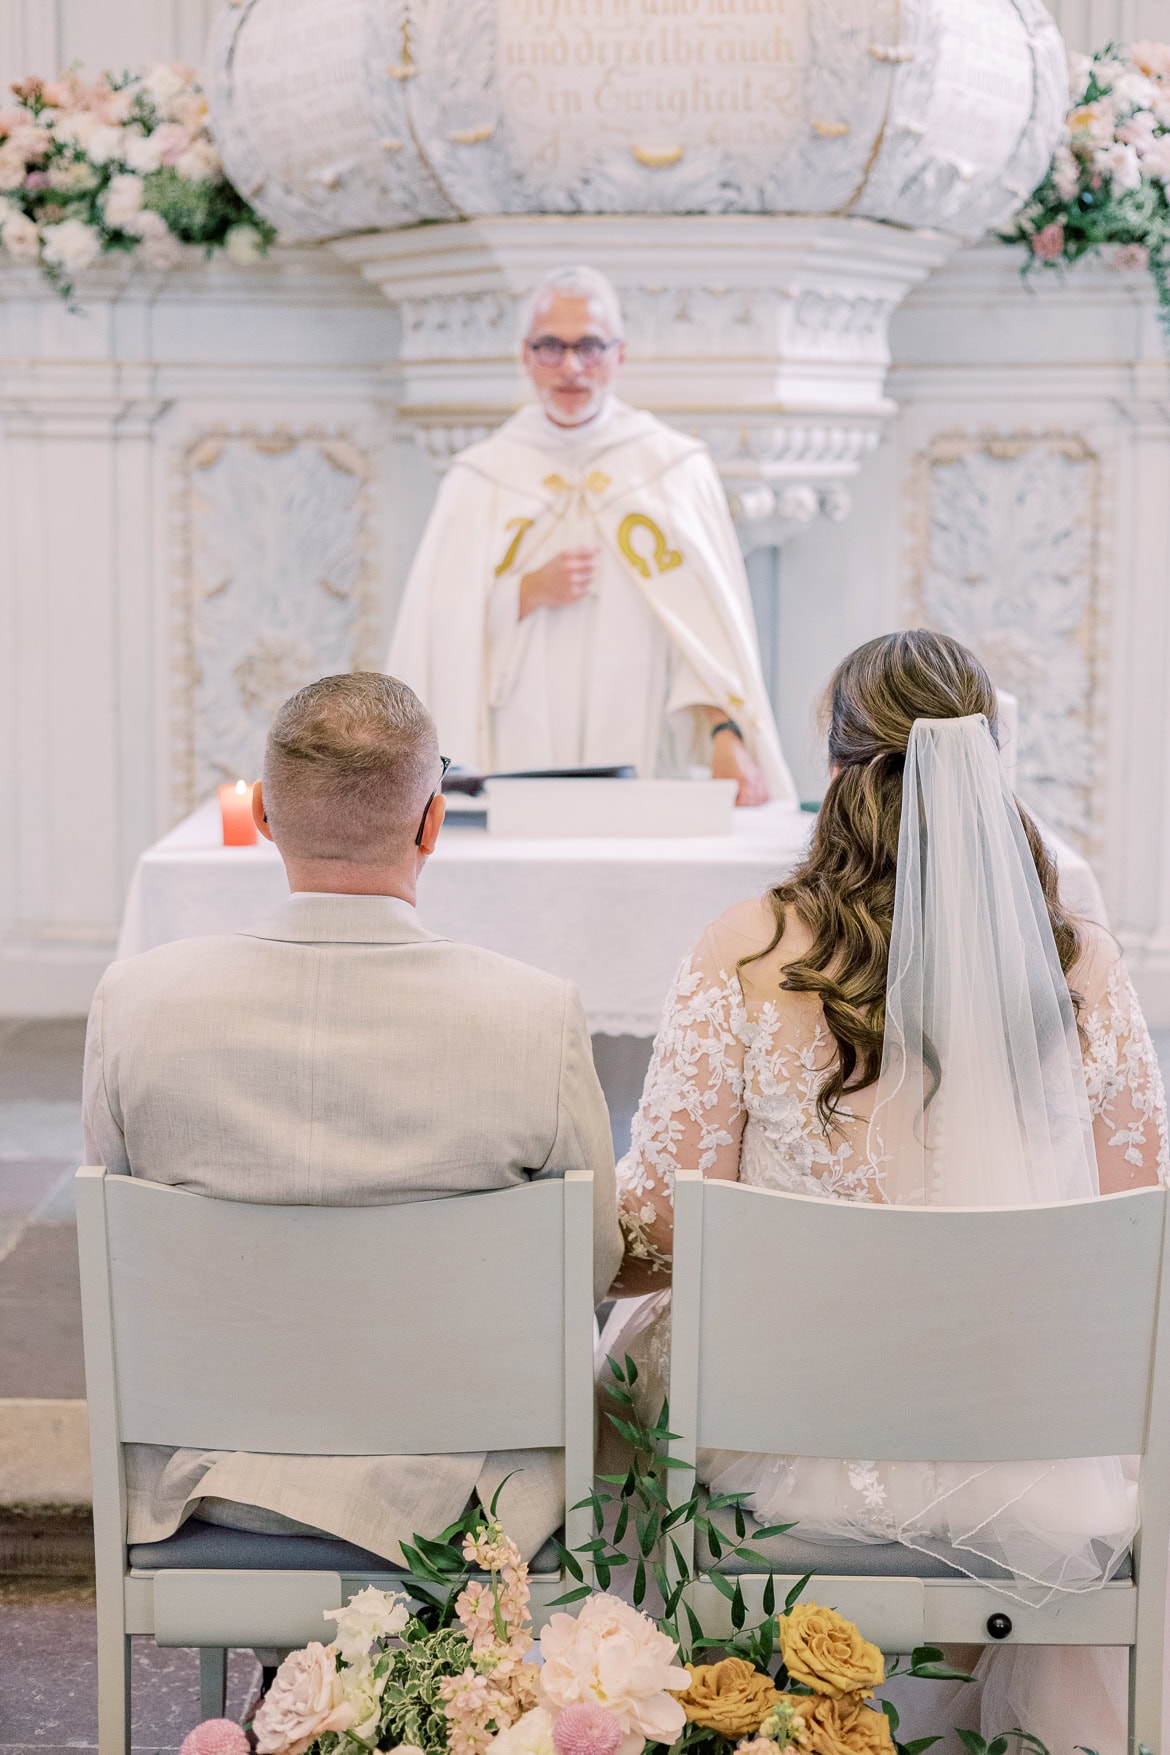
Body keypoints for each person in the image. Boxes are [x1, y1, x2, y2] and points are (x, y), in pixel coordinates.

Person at [604, 629, 1168, 1751]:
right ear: (991, 765)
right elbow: (1134, 1236)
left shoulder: (748, 951)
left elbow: (657, 1233)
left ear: (839, 772)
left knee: (619, 1375)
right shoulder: (1082, 965)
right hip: (1029, 1455)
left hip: (781, 1445)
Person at [82, 670, 622, 1565]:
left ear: (261, 813)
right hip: (460, 1493)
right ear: (433, 823)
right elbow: (591, 1267)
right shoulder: (532, 1015)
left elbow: (119, 1257)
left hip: (211, 1469)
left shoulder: (136, 1003)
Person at [387, 264, 796, 807]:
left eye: (591, 347)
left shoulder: (672, 469)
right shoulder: (480, 477)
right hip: (517, 745)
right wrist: (524, 593)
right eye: (551, 347)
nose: (572, 367)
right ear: (525, 355)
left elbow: (704, 631)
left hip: (643, 739)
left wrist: (725, 733)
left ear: (620, 355)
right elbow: (432, 637)